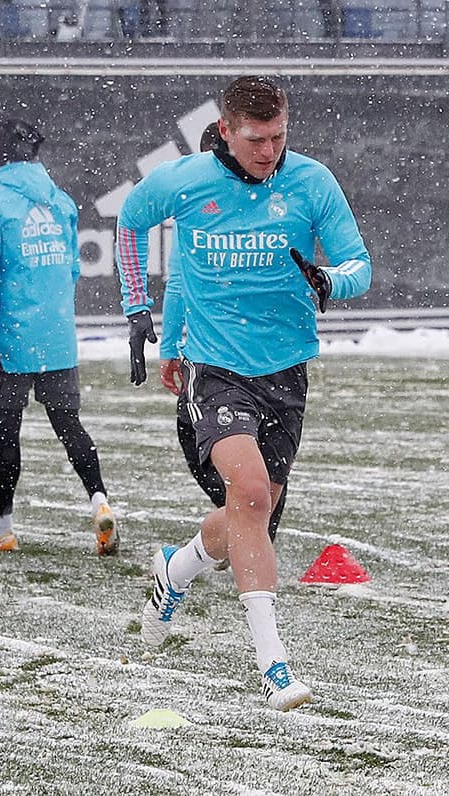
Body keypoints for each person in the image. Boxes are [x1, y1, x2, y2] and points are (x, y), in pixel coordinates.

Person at [116, 76, 371, 711]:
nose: (269, 151)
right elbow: (129, 221)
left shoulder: (312, 182)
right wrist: (137, 309)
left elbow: (358, 265)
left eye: (279, 136)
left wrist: (329, 281)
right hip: (216, 367)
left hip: (286, 371)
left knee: (251, 513)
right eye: (256, 139)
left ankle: (175, 569)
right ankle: (274, 666)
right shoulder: (185, 181)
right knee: (251, 494)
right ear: (226, 130)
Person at [0, 118, 118, 556]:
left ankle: (2, 528)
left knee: (5, 437)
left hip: (10, 338)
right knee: (70, 427)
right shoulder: (60, 201)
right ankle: (100, 502)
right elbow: (72, 269)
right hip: (56, 336)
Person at [160, 119, 287, 570]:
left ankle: (230, 539)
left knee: (255, 493)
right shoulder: (222, 208)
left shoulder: (251, 204)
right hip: (237, 364)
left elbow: (179, 282)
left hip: (244, 363)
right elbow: (178, 281)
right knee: (255, 487)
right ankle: (238, 537)